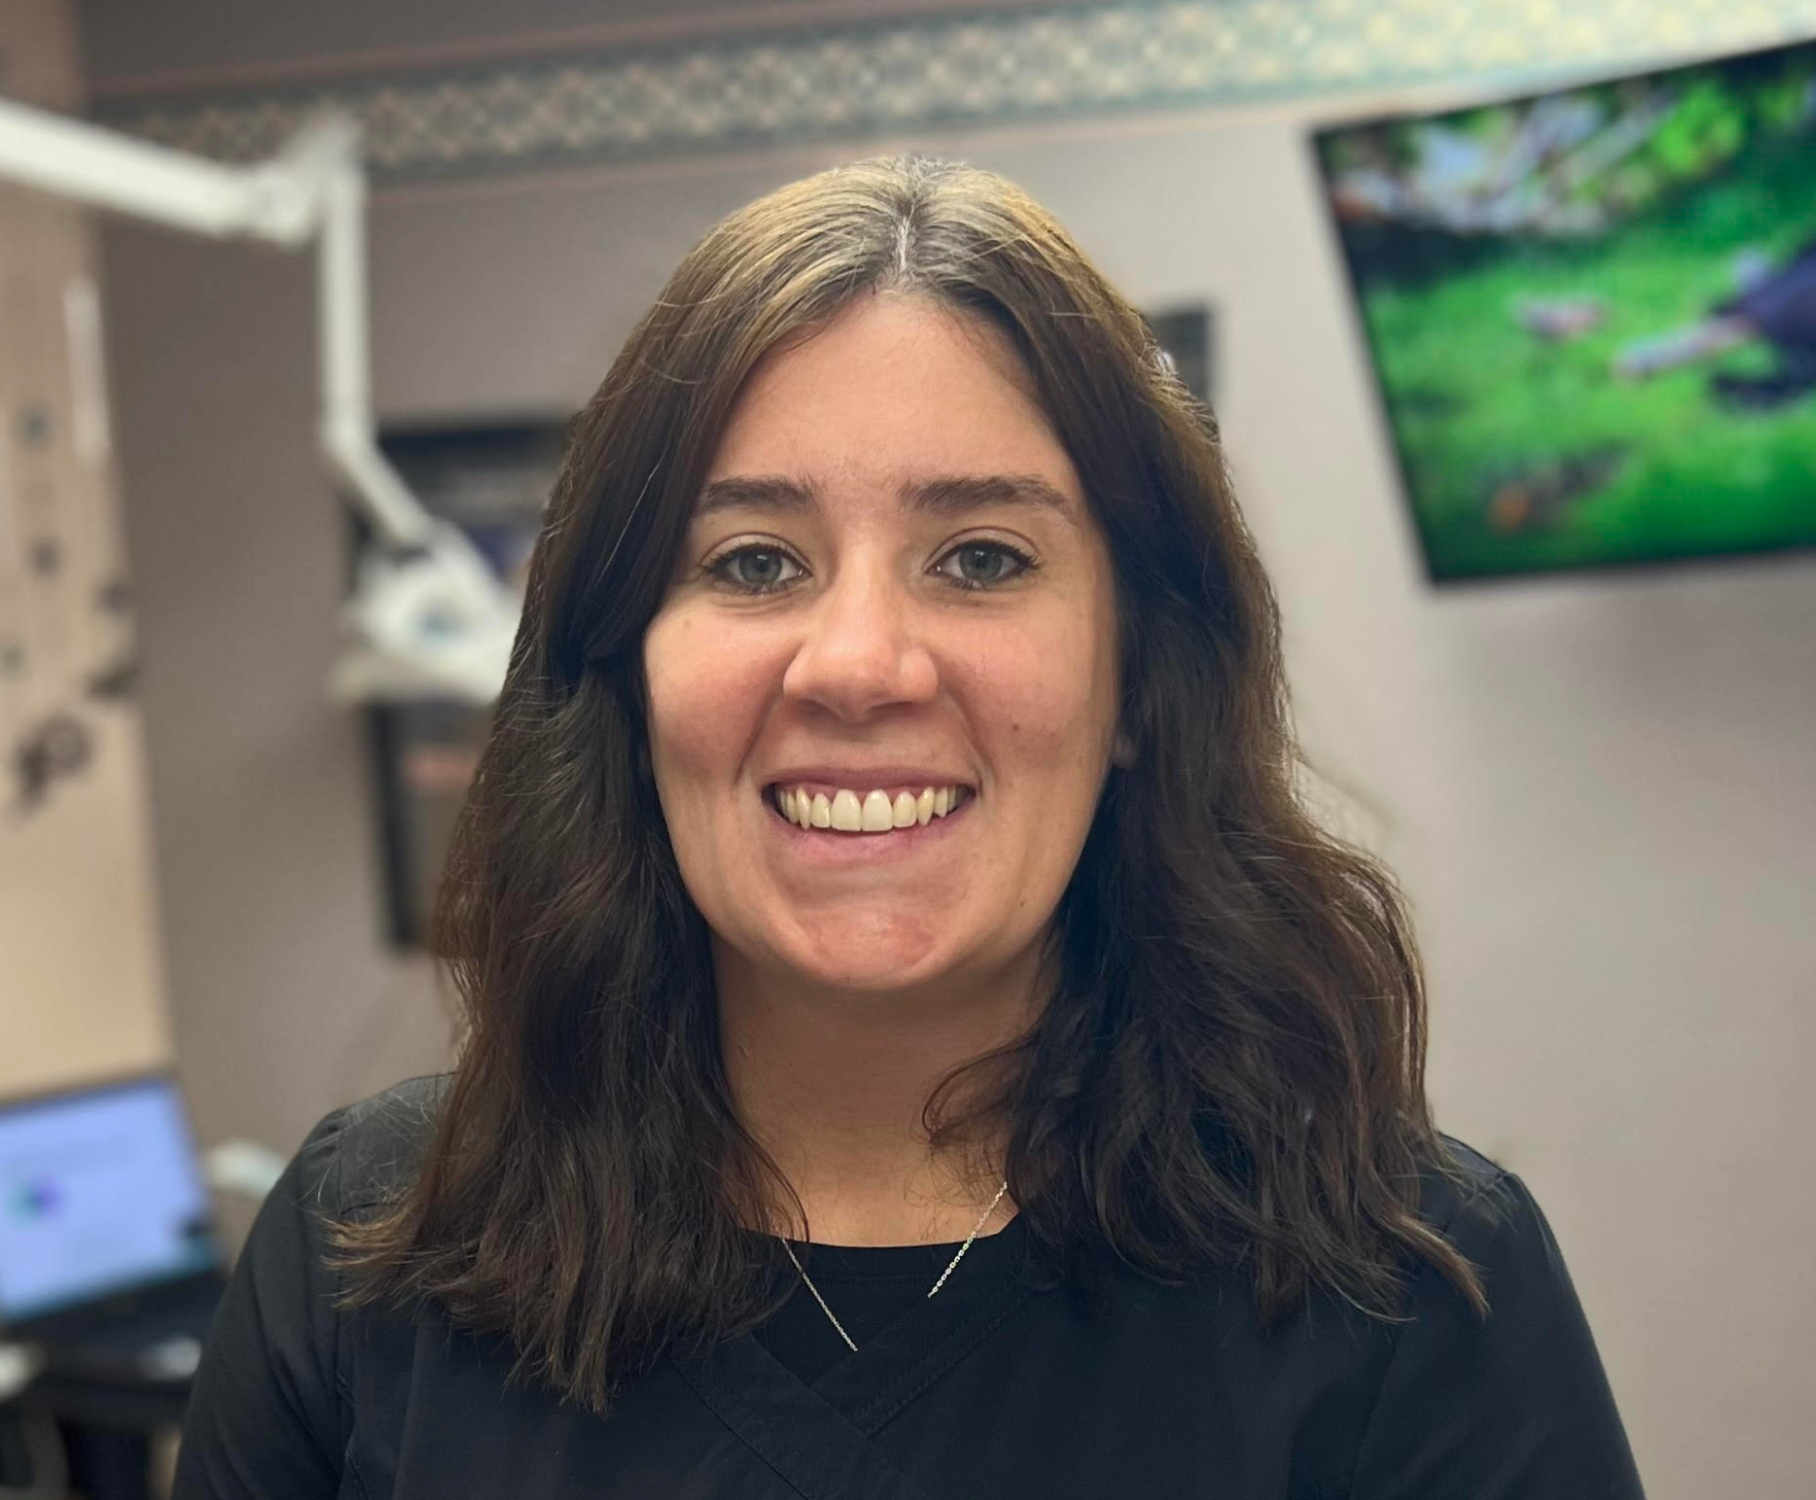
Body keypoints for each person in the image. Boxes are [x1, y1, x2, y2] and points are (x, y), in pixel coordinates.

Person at [174, 156, 1646, 1499]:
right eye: (753, 561)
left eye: (984, 556)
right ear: (623, 669)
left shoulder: (1411, 1300)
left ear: (1140, 677)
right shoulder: (361, 1257)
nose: (861, 664)